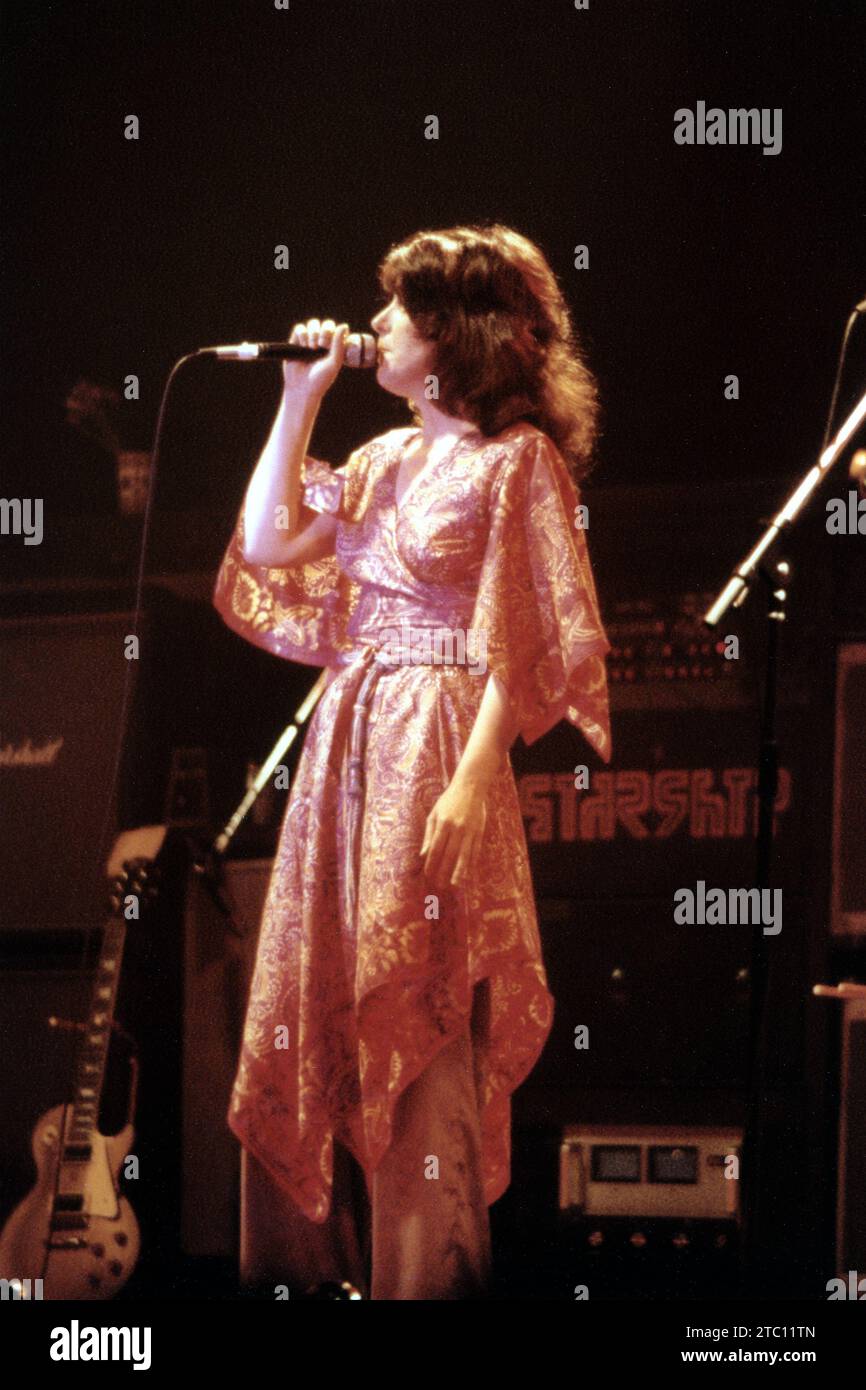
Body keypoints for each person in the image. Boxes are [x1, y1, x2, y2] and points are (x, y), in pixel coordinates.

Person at [212, 223, 613, 1300]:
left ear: (447, 333)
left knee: (417, 993)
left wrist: (475, 780)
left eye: (395, 307)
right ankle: (303, 1273)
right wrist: (297, 400)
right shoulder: (385, 459)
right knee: (314, 982)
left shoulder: (515, 461)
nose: (374, 322)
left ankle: (421, 1279)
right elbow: (262, 543)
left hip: (437, 734)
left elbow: (524, 641)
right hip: (348, 731)